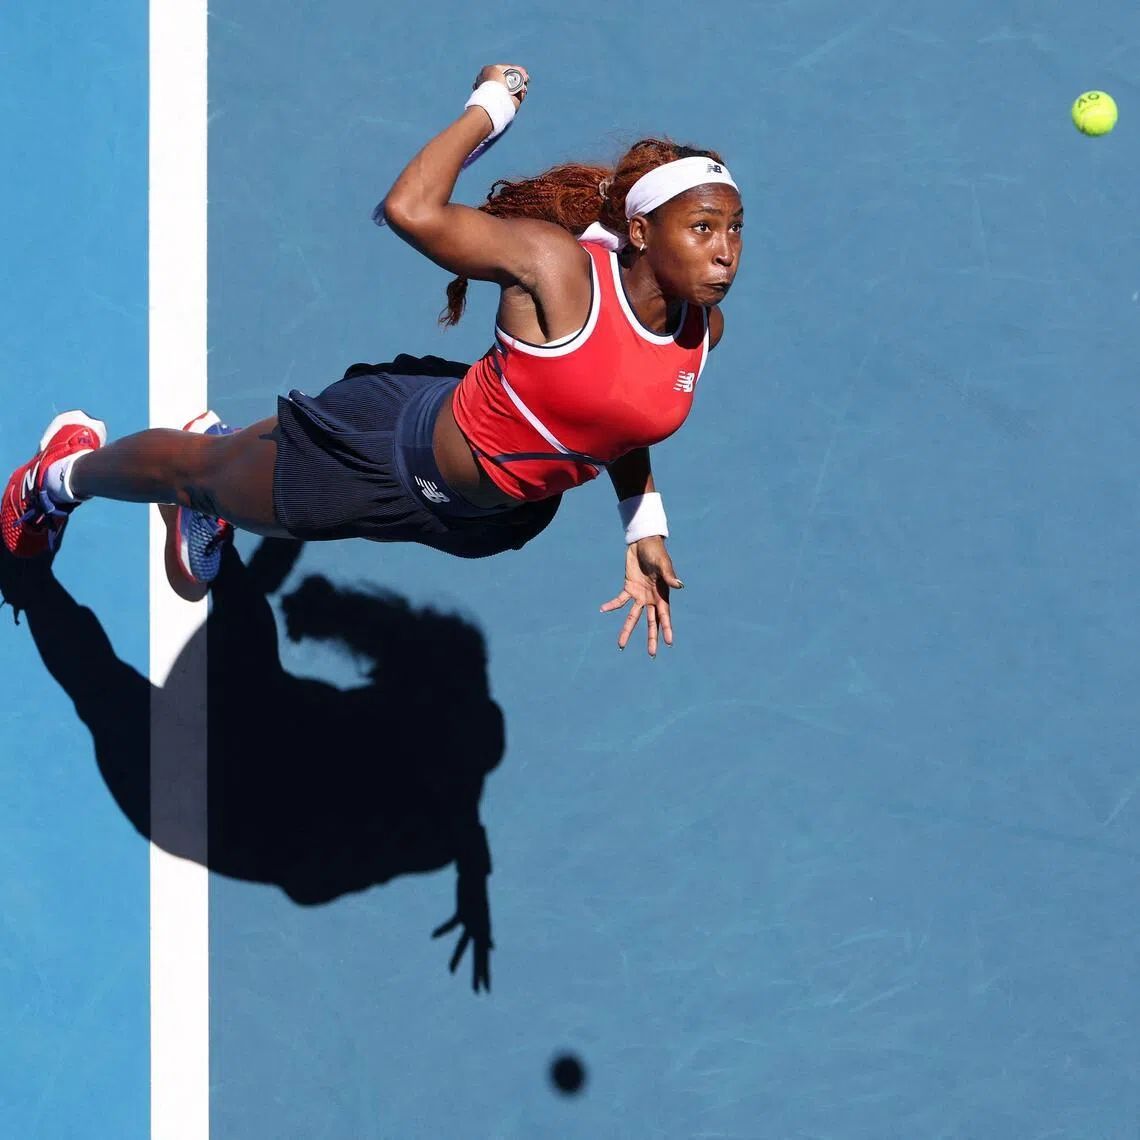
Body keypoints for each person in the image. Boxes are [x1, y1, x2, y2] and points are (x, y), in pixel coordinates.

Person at [1, 63, 744, 655]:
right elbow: (411, 210)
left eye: (735, 228)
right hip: (383, 454)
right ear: (641, 233)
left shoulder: (700, 329)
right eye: (703, 227)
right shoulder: (555, 270)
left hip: (487, 514)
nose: (725, 250)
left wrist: (641, 520)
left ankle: (223, 469)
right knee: (199, 477)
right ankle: (57, 478)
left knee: (253, 494)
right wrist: (490, 108)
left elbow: (621, 410)